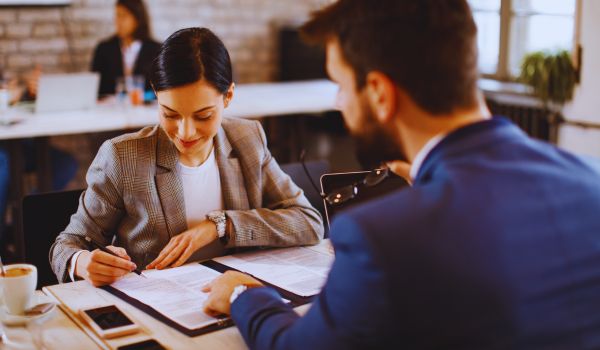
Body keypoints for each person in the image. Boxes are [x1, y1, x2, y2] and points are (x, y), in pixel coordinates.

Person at [202, 1, 600, 349]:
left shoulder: (380, 236)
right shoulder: (590, 180)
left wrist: (242, 295)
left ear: (378, 92)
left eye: (340, 86)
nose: (340, 102)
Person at [49, 27, 324, 287]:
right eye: (170, 114)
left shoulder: (247, 138)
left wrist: (221, 225)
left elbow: (309, 222)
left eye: (203, 115)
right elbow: (67, 245)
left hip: (236, 299)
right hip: (159, 307)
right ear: (156, 95)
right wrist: (83, 262)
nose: (185, 132)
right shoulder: (123, 157)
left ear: (228, 96)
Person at [91, 0, 161, 97]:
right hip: (109, 110)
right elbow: (95, 89)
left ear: (137, 19)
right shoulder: (104, 49)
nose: (118, 21)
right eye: (117, 15)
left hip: (145, 110)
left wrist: (143, 97)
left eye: (123, 16)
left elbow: (161, 90)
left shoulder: (156, 50)